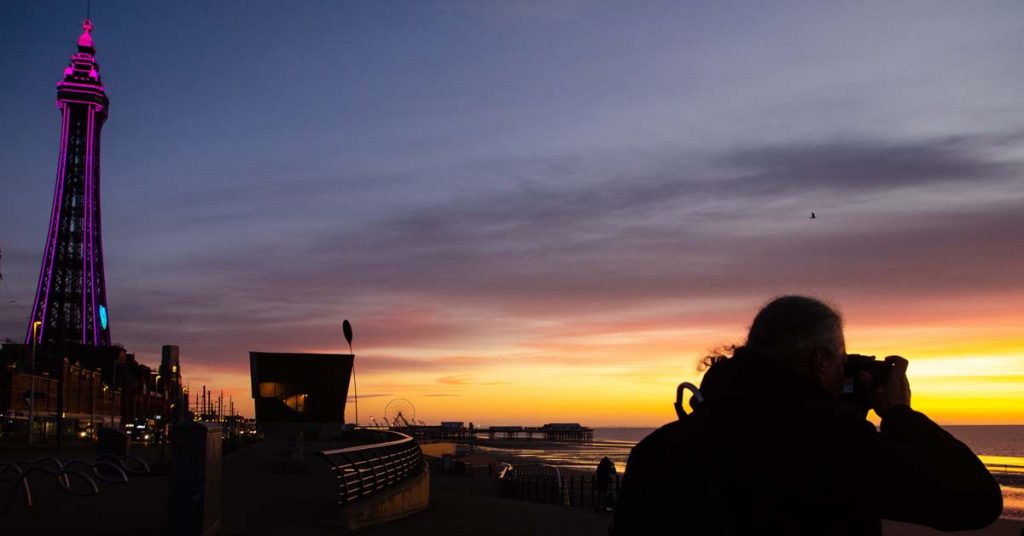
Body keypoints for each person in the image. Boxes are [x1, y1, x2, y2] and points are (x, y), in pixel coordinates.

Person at [613, 295, 1002, 535]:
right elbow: (975, 501)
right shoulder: (832, 444)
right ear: (820, 361)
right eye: (839, 361)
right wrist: (900, 415)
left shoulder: (659, 449)